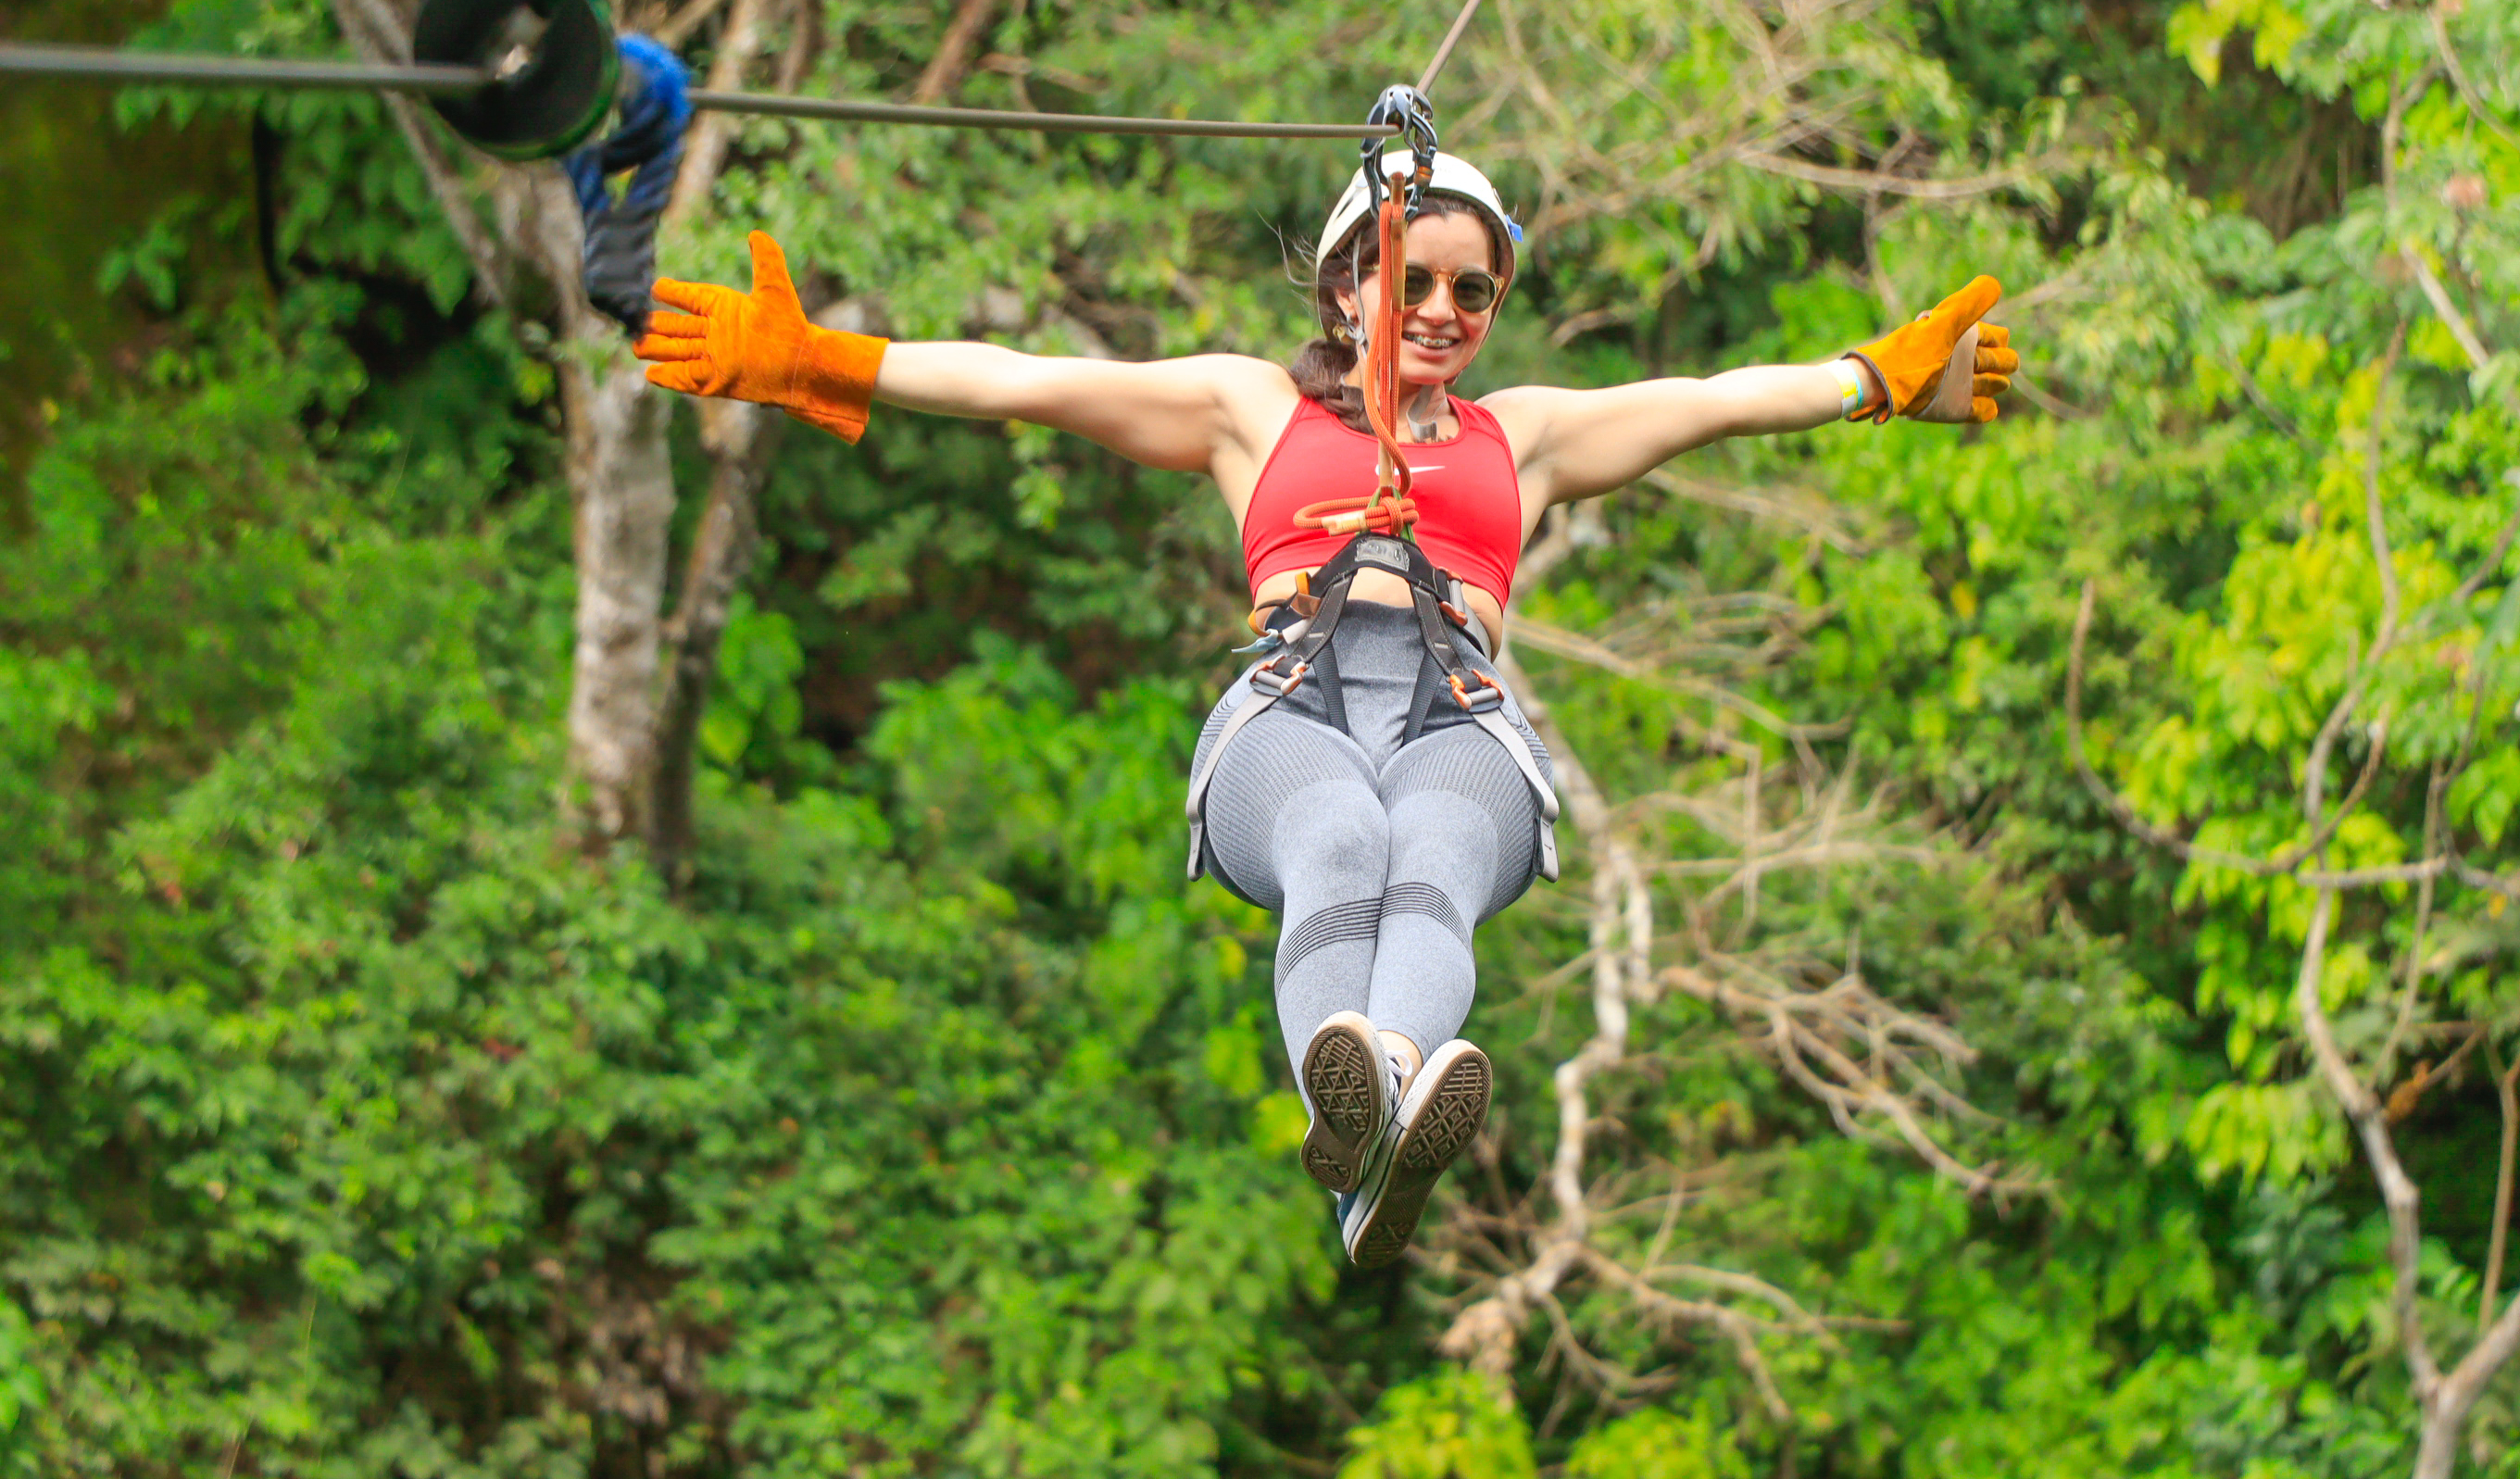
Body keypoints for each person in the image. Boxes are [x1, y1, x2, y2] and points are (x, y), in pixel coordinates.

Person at [627, 149, 2020, 1268]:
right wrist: (821, 360)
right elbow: (1028, 383)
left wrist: (1875, 382)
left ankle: (1389, 1105)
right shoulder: (1250, 410)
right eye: (1417, 280)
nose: (1445, 314)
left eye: (1474, 296)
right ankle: (1352, 1109)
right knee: (1344, 837)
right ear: (1352, 283)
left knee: (1430, 842)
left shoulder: (1519, 434)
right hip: (1290, 707)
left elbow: (1717, 399)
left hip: (1455, 714)